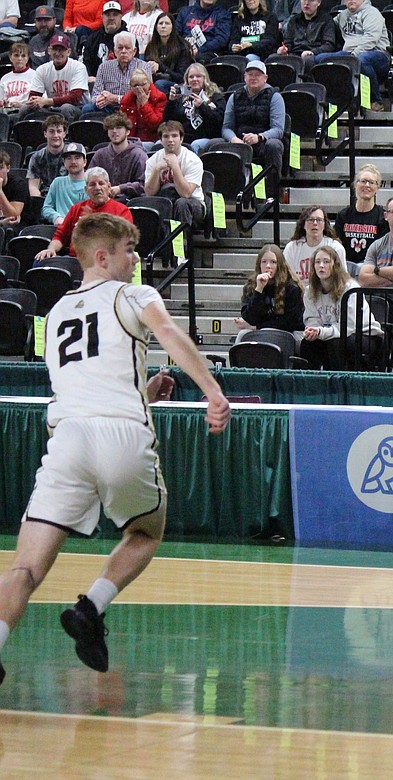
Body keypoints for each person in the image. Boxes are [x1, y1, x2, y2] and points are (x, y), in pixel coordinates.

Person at [0, 212, 229, 688]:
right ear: (102, 257)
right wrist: (212, 391)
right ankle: (92, 606)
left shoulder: (56, 313)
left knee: (24, 566)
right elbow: (168, 334)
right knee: (146, 531)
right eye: (129, 250)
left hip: (66, 440)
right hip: (120, 435)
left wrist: (143, 389)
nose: (136, 259)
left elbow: (90, 384)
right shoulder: (134, 294)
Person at [300, 245, 383, 370]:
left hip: (364, 334)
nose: (321, 265)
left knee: (336, 343)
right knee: (308, 343)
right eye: (317, 262)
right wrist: (314, 331)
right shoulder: (310, 291)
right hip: (332, 334)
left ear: (335, 265)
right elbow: (312, 318)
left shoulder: (350, 288)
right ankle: (313, 384)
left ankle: (339, 384)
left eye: (326, 261)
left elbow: (348, 326)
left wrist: (321, 332)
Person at [215, 60, 284, 196]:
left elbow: (278, 129)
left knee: (274, 146)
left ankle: (272, 193)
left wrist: (259, 137)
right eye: (250, 74)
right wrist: (233, 139)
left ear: (265, 78)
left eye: (257, 75)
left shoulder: (275, 97)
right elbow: (226, 127)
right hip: (240, 142)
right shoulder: (235, 96)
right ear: (244, 77)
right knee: (213, 145)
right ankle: (221, 194)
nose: (253, 77)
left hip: (263, 141)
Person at [38, 167, 134, 259]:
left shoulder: (121, 211)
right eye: (92, 184)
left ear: (109, 187)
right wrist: (51, 249)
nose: (97, 188)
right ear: (86, 190)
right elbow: (60, 236)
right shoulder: (76, 209)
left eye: (101, 183)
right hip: (75, 261)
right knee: (41, 261)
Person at [326, 0, 391, 112]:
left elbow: (371, 39)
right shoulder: (342, 15)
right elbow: (327, 24)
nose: (351, 0)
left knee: (362, 59)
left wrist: (353, 56)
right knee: (323, 59)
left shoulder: (372, 13)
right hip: (350, 54)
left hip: (378, 54)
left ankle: (376, 101)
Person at [144, 120, 205, 226]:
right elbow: (149, 193)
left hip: (192, 204)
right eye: (166, 136)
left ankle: (182, 242)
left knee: (181, 203)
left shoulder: (192, 160)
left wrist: (175, 167)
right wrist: (156, 170)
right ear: (161, 140)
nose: (170, 140)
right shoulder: (153, 160)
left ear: (181, 139)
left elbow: (186, 193)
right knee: (152, 204)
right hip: (165, 201)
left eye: (174, 136)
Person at [234, 243, 305, 335]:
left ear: (279, 265)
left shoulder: (291, 288)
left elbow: (289, 323)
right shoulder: (251, 285)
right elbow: (250, 318)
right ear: (259, 264)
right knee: (242, 334)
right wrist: (259, 289)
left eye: (273, 262)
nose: (268, 266)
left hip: (287, 333)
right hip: (260, 330)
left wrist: (256, 327)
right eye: (264, 262)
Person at [335, 163, 388, 268]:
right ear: (355, 184)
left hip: (372, 270)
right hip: (345, 269)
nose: (367, 185)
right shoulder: (343, 216)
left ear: (377, 187)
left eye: (372, 182)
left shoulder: (383, 217)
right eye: (363, 181)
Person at [163, 62, 223, 153]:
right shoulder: (181, 97)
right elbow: (167, 121)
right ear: (187, 80)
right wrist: (171, 101)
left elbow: (218, 122)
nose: (194, 79)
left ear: (205, 78)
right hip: (182, 138)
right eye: (191, 77)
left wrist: (202, 106)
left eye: (198, 76)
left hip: (206, 138)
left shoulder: (216, 96)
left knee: (195, 144)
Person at [28, 33, 90, 122]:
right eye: (55, 49)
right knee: (26, 108)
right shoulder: (42, 69)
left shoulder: (78, 67)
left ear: (68, 52)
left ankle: (68, 135)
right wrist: (33, 100)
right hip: (52, 107)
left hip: (77, 108)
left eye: (61, 50)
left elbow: (75, 98)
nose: (57, 53)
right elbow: (34, 94)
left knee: (66, 108)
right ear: (49, 50)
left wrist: (46, 101)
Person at [84, 31, 149, 115]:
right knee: (88, 109)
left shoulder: (144, 67)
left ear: (134, 51)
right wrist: (101, 99)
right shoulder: (104, 67)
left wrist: (115, 98)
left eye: (127, 48)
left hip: (132, 107)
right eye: (120, 48)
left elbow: (144, 97)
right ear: (115, 50)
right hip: (108, 107)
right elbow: (95, 95)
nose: (123, 51)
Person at [90, 110, 149, 201]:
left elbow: (144, 184)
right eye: (111, 128)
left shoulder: (139, 155)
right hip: (104, 201)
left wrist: (121, 188)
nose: (114, 131)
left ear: (128, 132)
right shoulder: (99, 155)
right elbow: (90, 180)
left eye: (119, 128)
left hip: (131, 201)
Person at [283, 205, 346, 283]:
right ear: (303, 224)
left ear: (324, 224)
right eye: (311, 220)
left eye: (319, 220)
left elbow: (341, 279)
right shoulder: (292, 248)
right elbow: (286, 279)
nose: (315, 223)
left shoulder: (336, 248)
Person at [41, 143, 90, 227]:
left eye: (77, 158)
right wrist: (56, 217)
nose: (73, 162)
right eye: (69, 158)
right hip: (61, 228)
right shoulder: (57, 182)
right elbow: (46, 208)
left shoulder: (92, 183)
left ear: (84, 162)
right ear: (64, 163)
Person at [143, 13, 193, 90]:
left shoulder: (182, 46)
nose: (163, 26)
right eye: (160, 23)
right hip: (155, 80)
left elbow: (182, 77)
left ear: (173, 27)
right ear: (156, 27)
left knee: (160, 84)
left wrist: (160, 67)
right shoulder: (151, 46)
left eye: (167, 23)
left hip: (182, 86)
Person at [82, 2, 130, 80]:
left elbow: (133, 67)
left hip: (122, 83)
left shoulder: (129, 39)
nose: (111, 18)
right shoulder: (92, 39)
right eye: (108, 15)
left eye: (115, 14)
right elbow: (86, 63)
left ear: (121, 17)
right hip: (95, 83)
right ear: (102, 17)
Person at [120, 69, 168, 143]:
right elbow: (123, 124)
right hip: (131, 140)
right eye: (136, 85)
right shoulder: (126, 100)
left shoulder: (159, 97)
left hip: (151, 140)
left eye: (143, 84)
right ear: (131, 87)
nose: (139, 88)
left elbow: (155, 125)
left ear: (149, 83)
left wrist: (145, 104)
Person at [27, 114, 69, 199]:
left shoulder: (72, 155)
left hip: (67, 197)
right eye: (51, 131)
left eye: (59, 131)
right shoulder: (37, 157)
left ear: (64, 134)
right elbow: (33, 187)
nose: (55, 135)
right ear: (45, 134)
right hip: (44, 198)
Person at [0, 44, 40, 114]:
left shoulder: (35, 75)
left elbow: (40, 101)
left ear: (28, 58)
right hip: (7, 112)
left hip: (26, 112)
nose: (20, 59)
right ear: (10, 57)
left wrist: (22, 105)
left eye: (23, 56)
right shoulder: (4, 78)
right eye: (16, 55)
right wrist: (4, 103)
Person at [0, 151, 28, 229]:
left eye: (0, 168)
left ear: (8, 168)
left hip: (19, 225)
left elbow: (12, 216)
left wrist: (0, 191)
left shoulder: (19, 184)